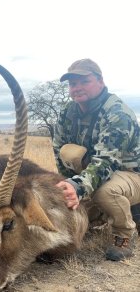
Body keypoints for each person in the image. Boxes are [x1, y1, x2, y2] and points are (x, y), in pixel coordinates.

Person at [53, 58, 140, 261]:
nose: (77, 88)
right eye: (73, 84)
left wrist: (78, 187)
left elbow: (105, 163)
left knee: (103, 191)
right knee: (68, 155)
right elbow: (59, 149)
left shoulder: (118, 113)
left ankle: (124, 234)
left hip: (130, 174)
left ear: (100, 81)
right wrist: (67, 184)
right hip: (96, 171)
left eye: (84, 81)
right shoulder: (68, 111)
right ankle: (98, 213)